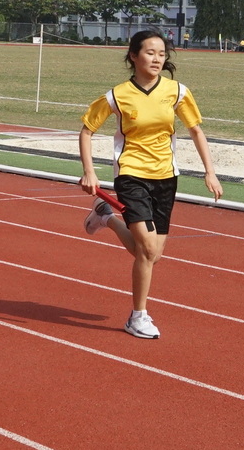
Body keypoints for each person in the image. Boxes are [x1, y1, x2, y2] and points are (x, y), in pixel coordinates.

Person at [78, 29, 224, 339]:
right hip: (131, 174)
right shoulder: (117, 96)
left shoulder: (177, 91)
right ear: (133, 56)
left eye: (161, 53)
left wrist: (209, 172)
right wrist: (90, 172)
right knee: (146, 249)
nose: (157, 59)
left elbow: (196, 131)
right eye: (150, 52)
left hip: (166, 176)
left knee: (153, 254)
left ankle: (106, 217)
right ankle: (137, 316)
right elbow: (87, 131)